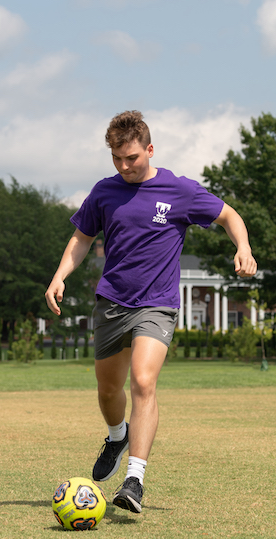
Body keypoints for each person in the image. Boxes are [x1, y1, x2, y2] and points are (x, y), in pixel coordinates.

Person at [45, 110, 256, 513]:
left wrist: (242, 247)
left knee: (143, 382)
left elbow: (229, 215)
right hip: (111, 302)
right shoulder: (104, 192)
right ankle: (116, 435)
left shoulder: (179, 190)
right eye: (117, 159)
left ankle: (134, 480)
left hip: (156, 304)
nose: (125, 167)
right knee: (109, 391)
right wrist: (59, 275)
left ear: (150, 149)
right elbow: (81, 238)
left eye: (133, 159)